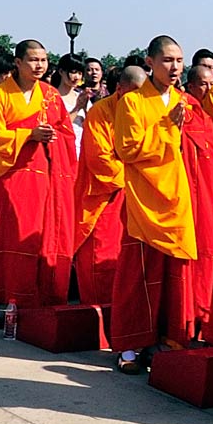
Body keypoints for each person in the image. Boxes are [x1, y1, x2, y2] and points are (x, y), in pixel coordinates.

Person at [0, 40, 77, 327]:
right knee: (3, 236)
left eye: (43, 60)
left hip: (43, 179)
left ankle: (29, 300)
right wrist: (29, 134)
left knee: (36, 239)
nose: (40, 65)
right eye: (33, 60)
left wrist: (52, 137)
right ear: (17, 63)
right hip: (9, 176)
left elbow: (66, 135)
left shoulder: (51, 96)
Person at [110, 37, 198, 372]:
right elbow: (127, 149)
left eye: (179, 61)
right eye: (167, 60)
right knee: (138, 276)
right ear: (150, 62)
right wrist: (166, 127)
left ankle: (168, 341)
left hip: (177, 199)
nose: (175, 67)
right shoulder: (132, 103)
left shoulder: (184, 101)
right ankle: (130, 345)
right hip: (143, 200)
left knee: (174, 277)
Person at [76, 65, 144, 306]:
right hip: (104, 195)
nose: (138, 98)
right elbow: (100, 160)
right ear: (120, 89)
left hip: (137, 195)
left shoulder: (146, 111)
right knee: (100, 253)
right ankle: (98, 311)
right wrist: (135, 174)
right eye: (134, 92)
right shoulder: (100, 113)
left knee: (129, 256)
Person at [181, 63, 213, 323]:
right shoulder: (184, 112)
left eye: (211, 83)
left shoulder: (208, 118)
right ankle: (191, 313)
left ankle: (205, 313)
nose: (208, 89)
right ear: (191, 86)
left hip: (209, 191)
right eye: (203, 84)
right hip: (190, 193)